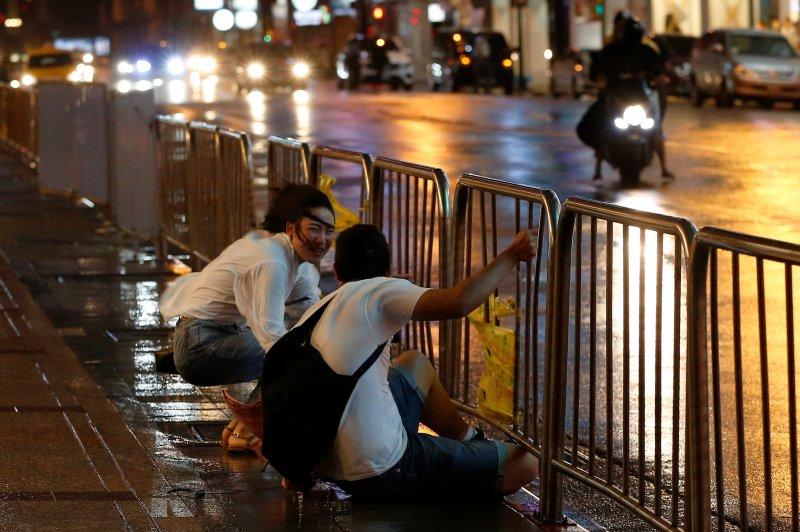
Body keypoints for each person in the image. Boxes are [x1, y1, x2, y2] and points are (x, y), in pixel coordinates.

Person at [290, 224, 539, 499]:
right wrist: (513, 254)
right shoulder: (382, 291)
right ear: (387, 271)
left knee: (414, 363)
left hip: (323, 461)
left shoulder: (317, 310)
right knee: (525, 465)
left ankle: (469, 441)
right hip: (381, 466)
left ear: (336, 271)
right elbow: (459, 302)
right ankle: (453, 472)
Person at [159, 184, 335, 452]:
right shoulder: (273, 262)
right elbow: (271, 335)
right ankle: (252, 430)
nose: (322, 240)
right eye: (314, 229)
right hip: (200, 345)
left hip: (211, 335)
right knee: (292, 354)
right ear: (290, 229)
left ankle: (241, 430)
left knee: (300, 347)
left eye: (329, 231)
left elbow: (309, 316)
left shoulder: (292, 261)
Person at [577, 12, 673, 180]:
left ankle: (664, 167)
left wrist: (658, 77)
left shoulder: (646, 50)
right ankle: (599, 161)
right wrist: (601, 79)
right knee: (595, 126)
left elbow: (658, 69)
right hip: (616, 98)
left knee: (655, 127)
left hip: (640, 98)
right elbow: (597, 72)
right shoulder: (610, 51)